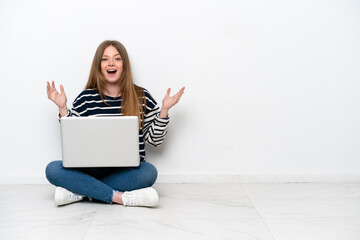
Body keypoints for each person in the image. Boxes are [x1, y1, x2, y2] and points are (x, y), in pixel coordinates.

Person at [45, 40, 185, 207]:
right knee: (52, 169)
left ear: (124, 64)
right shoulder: (85, 98)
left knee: (149, 172)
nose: (111, 63)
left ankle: (80, 192)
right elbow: (73, 140)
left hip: (126, 171)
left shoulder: (141, 96)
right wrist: (63, 108)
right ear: (98, 66)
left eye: (117, 59)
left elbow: (155, 141)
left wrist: (164, 111)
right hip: (91, 170)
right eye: (105, 59)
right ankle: (119, 197)